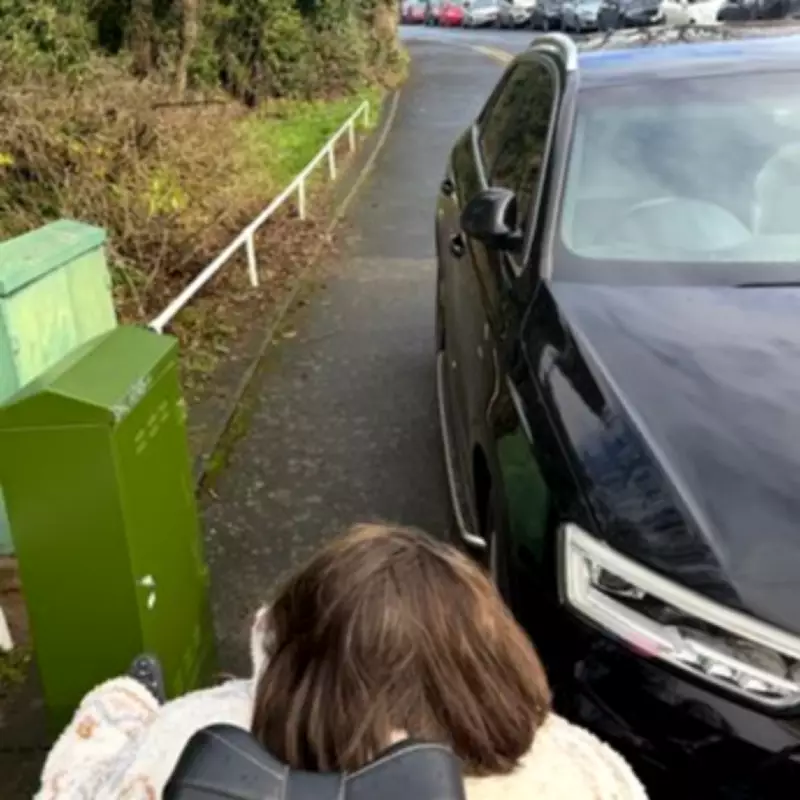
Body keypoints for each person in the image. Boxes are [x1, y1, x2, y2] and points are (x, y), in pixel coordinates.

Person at [37, 523, 647, 799]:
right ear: (495, 661)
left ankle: (132, 692)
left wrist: (128, 710)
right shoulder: (582, 770)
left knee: (121, 710)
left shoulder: (190, 738)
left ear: (288, 657)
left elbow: (76, 785)